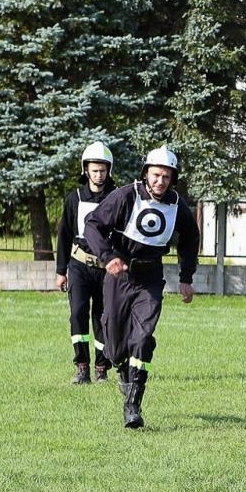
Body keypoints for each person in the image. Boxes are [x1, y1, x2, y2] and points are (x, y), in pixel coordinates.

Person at [83, 145, 200, 429]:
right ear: (146, 173)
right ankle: (122, 367)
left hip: (150, 279)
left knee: (143, 338)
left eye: (167, 177)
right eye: (156, 175)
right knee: (113, 349)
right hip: (119, 276)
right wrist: (108, 257)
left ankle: (133, 405)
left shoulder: (177, 205)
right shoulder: (126, 196)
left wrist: (186, 277)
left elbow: (190, 238)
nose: (161, 182)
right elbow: (92, 225)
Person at [54, 141, 117, 384]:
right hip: (79, 266)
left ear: (109, 170)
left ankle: (102, 368)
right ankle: (82, 367)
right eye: (94, 170)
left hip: (106, 269)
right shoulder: (75, 198)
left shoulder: (117, 197)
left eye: (103, 170)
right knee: (78, 314)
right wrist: (61, 271)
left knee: (103, 317)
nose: (99, 174)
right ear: (86, 170)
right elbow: (64, 235)